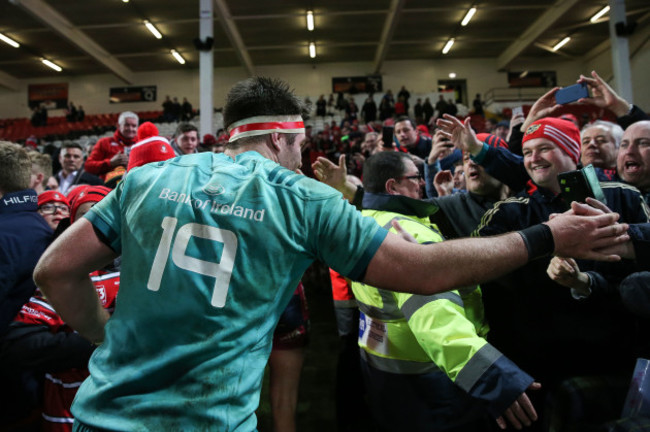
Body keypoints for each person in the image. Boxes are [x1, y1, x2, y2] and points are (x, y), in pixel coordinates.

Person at [34, 77, 629, 431]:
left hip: (103, 414)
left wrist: (102, 333)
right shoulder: (302, 198)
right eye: (298, 143)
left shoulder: (147, 180)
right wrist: (546, 237)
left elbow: (56, 270)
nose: (301, 154)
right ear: (280, 137)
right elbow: (417, 270)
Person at [352, 151, 537, 431]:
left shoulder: (366, 222)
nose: (421, 185)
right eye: (414, 178)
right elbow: (435, 319)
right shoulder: (410, 236)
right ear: (393, 187)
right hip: (430, 378)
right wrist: (494, 377)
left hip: (383, 370)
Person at [84, 111, 139, 180]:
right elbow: (88, 166)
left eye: (134, 126)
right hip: (109, 186)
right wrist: (110, 163)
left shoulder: (142, 144)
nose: (130, 129)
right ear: (118, 126)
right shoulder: (104, 143)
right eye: (126, 125)